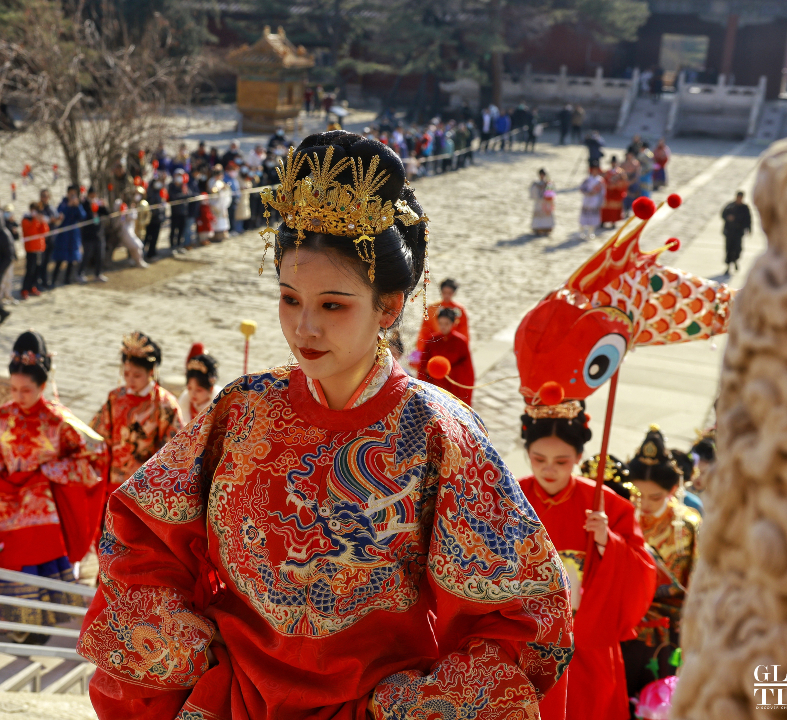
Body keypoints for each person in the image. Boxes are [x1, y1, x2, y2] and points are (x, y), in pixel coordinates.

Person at [78, 131, 572, 719]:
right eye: (290, 299)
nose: (304, 328)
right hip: (230, 700)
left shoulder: (441, 434)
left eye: (332, 305)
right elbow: (143, 535)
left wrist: (410, 707)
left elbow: (524, 613)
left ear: (388, 306)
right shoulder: (241, 409)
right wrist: (189, 657)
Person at [517, 401, 655, 720]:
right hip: (524, 634)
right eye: (538, 459)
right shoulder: (510, 497)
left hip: (586, 635)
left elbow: (642, 569)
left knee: (588, 705)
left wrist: (608, 540)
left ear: (579, 457)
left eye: (561, 461)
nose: (548, 469)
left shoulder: (607, 505)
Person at [0, 331, 106, 641]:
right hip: (5, 500)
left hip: (42, 506)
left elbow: (94, 459)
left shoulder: (58, 421)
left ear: (42, 386)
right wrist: (1, 477)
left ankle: (36, 626)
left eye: (26, 390)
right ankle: (14, 623)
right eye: (13, 389)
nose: (18, 396)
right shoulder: (1, 417)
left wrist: (48, 472)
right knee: (4, 556)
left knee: (34, 555)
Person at [621, 426, 699, 699]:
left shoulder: (688, 526)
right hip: (625, 625)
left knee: (657, 699)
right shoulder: (623, 516)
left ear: (673, 489)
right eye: (638, 494)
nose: (644, 504)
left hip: (667, 630)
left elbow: (697, 581)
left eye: (655, 497)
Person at [90, 331, 182, 487]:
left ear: (151, 372)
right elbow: (99, 435)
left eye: (137, 375)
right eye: (126, 374)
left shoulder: (165, 404)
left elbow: (174, 447)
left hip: (148, 483)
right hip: (115, 480)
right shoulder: (115, 398)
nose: (130, 380)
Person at [419, 306, 475, 405]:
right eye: (440, 323)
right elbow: (423, 365)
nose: (443, 327)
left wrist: (448, 371)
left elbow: (466, 368)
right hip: (435, 385)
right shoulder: (431, 340)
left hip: (453, 385)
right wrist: (430, 369)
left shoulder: (460, 342)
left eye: (446, 323)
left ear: (453, 323)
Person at [413, 277, 469, 368]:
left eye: (449, 293)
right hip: (434, 347)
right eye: (444, 292)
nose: (446, 295)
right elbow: (424, 330)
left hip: (452, 348)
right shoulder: (432, 308)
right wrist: (420, 349)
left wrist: (462, 350)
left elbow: (464, 332)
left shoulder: (460, 310)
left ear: (454, 293)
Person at [53, 186, 86, 286]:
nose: (72, 195)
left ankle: (67, 279)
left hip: (73, 236)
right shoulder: (63, 204)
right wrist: (68, 206)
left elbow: (83, 216)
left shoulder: (77, 204)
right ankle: (54, 280)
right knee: (60, 259)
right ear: (67, 193)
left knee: (72, 259)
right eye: (71, 193)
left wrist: (78, 206)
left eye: (74, 193)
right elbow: (59, 215)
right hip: (63, 235)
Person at [177, 351, 219, 423]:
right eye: (189, 388)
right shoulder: (185, 402)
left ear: (211, 389)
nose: (193, 393)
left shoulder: (220, 407)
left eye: (199, 390)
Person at [78, 189, 109, 283]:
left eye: (94, 195)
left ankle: (97, 274)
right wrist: (90, 206)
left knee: (100, 255)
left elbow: (107, 213)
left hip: (98, 234)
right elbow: (82, 216)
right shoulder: (84, 204)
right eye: (92, 195)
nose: (93, 197)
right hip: (88, 235)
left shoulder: (98, 204)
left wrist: (104, 205)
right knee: (87, 255)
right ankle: (80, 273)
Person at [20, 203, 49, 297]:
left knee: (37, 270)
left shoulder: (39, 220)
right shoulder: (26, 220)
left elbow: (45, 232)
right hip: (31, 249)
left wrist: (42, 221)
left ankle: (33, 287)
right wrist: (35, 220)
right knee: (30, 270)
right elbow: (30, 232)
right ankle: (25, 289)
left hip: (40, 248)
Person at [722, 191, 751, 275]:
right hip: (729, 232)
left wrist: (749, 229)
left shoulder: (744, 208)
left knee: (737, 249)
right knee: (729, 249)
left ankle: (735, 261)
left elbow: (748, 219)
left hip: (738, 232)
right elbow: (723, 214)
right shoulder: (730, 206)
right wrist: (728, 217)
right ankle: (728, 266)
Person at [116, 193, 148, 269]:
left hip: (131, 230)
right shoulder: (121, 205)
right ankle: (138, 261)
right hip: (125, 231)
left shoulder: (132, 207)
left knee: (136, 246)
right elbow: (122, 220)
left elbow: (134, 217)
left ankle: (136, 260)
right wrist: (124, 212)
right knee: (137, 245)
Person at [579, 166, 606, 239]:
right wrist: (588, 193)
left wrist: (602, 201)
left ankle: (591, 232)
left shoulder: (600, 180)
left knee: (594, 217)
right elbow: (581, 188)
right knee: (584, 216)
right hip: (587, 199)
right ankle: (582, 232)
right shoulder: (587, 179)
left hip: (595, 200)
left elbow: (603, 192)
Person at [601, 156, 628, 228]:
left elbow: (624, 182)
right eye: (612, 162)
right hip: (608, 192)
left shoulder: (621, 172)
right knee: (606, 208)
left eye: (614, 162)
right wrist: (609, 186)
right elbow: (604, 181)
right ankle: (603, 221)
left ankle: (613, 221)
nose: (613, 164)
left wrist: (616, 185)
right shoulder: (607, 172)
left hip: (616, 193)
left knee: (615, 208)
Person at [530, 168, 556, 235]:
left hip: (546, 203)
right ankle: (537, 229)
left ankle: (546, 228)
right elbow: (533, 195)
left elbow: (551, 195)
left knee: (546, 216)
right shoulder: (536, 184)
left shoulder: (549, 184)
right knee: (539, 215)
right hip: (539, 202)